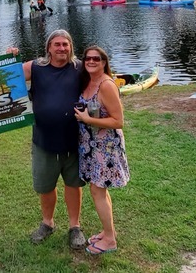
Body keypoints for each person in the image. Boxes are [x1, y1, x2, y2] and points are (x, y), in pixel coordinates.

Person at [5, 30, 87, 250]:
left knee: (73, 184)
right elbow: (8, 76)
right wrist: (10, 58)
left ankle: (75, 227)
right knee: (45, 187)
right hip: (44, 140)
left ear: (71, 47)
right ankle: (48, 223)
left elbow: (102, 77)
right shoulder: (36, 67)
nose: (62, 48)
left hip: (74, 140)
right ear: (48, 47)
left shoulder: (80, 67)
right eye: (57, 44)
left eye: (66, 44)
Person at [74, 45, 129, 255]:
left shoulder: (106, 85)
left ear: (104, 62)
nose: (91, 61)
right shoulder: (88, 81)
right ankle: (107, 233)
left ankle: (110, 240)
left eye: (96, 59)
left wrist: (88, 119)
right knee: (99, 190)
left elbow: (118, 121)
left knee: (97, 190)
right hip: (90, 144)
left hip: (105, 147)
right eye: (87, 58)